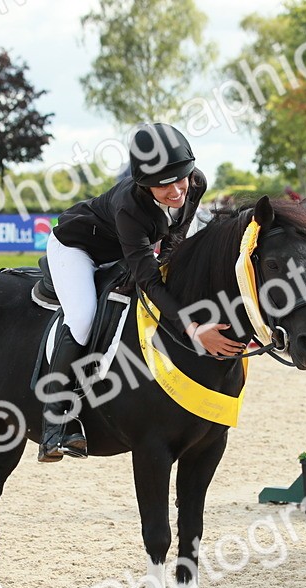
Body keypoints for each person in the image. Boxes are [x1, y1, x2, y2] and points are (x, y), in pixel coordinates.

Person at [40, 122, 242, 463]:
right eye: (163, 186)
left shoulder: (195, 182)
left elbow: (175, 235)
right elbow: (148, 280)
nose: (177, 191)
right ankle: (54, 419)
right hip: (78, 249)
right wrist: (192, 329)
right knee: (83, 318)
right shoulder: (129, 207)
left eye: (181, 179)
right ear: (143, 184)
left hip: (125, 250)